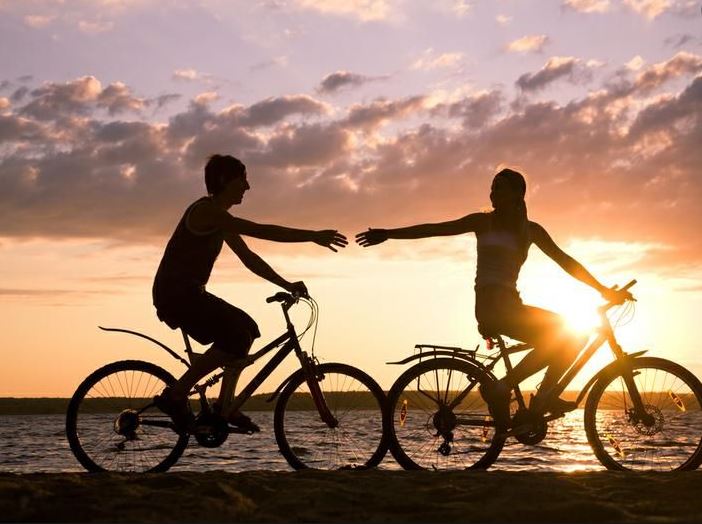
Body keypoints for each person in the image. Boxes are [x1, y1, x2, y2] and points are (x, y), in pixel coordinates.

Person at [355, 168, 631, 428]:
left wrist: (603, 289)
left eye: (498, 188)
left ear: (517, 195)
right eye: (491, 188)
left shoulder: (530, 230)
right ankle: (512, 389)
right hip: (493, 307)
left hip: (509, 306)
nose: (492, 194)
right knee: (570, 336)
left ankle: (535, 393)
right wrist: (389, 234)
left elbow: (566, 262)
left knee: (569, 336)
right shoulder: (482, 222)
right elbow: (433, 229)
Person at [153, 154, 347, 431]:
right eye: (242, 179)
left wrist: (286, 284)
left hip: (188, 293)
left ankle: (225, 407)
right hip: (177, 295)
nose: (247, 186)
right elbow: (260, 231)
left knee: (246, 329)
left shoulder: (221, 220)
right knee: (235, 333)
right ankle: (176, 394)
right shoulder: (206, 211)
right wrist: (312, 235)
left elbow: (249, 259)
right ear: (223, 181)